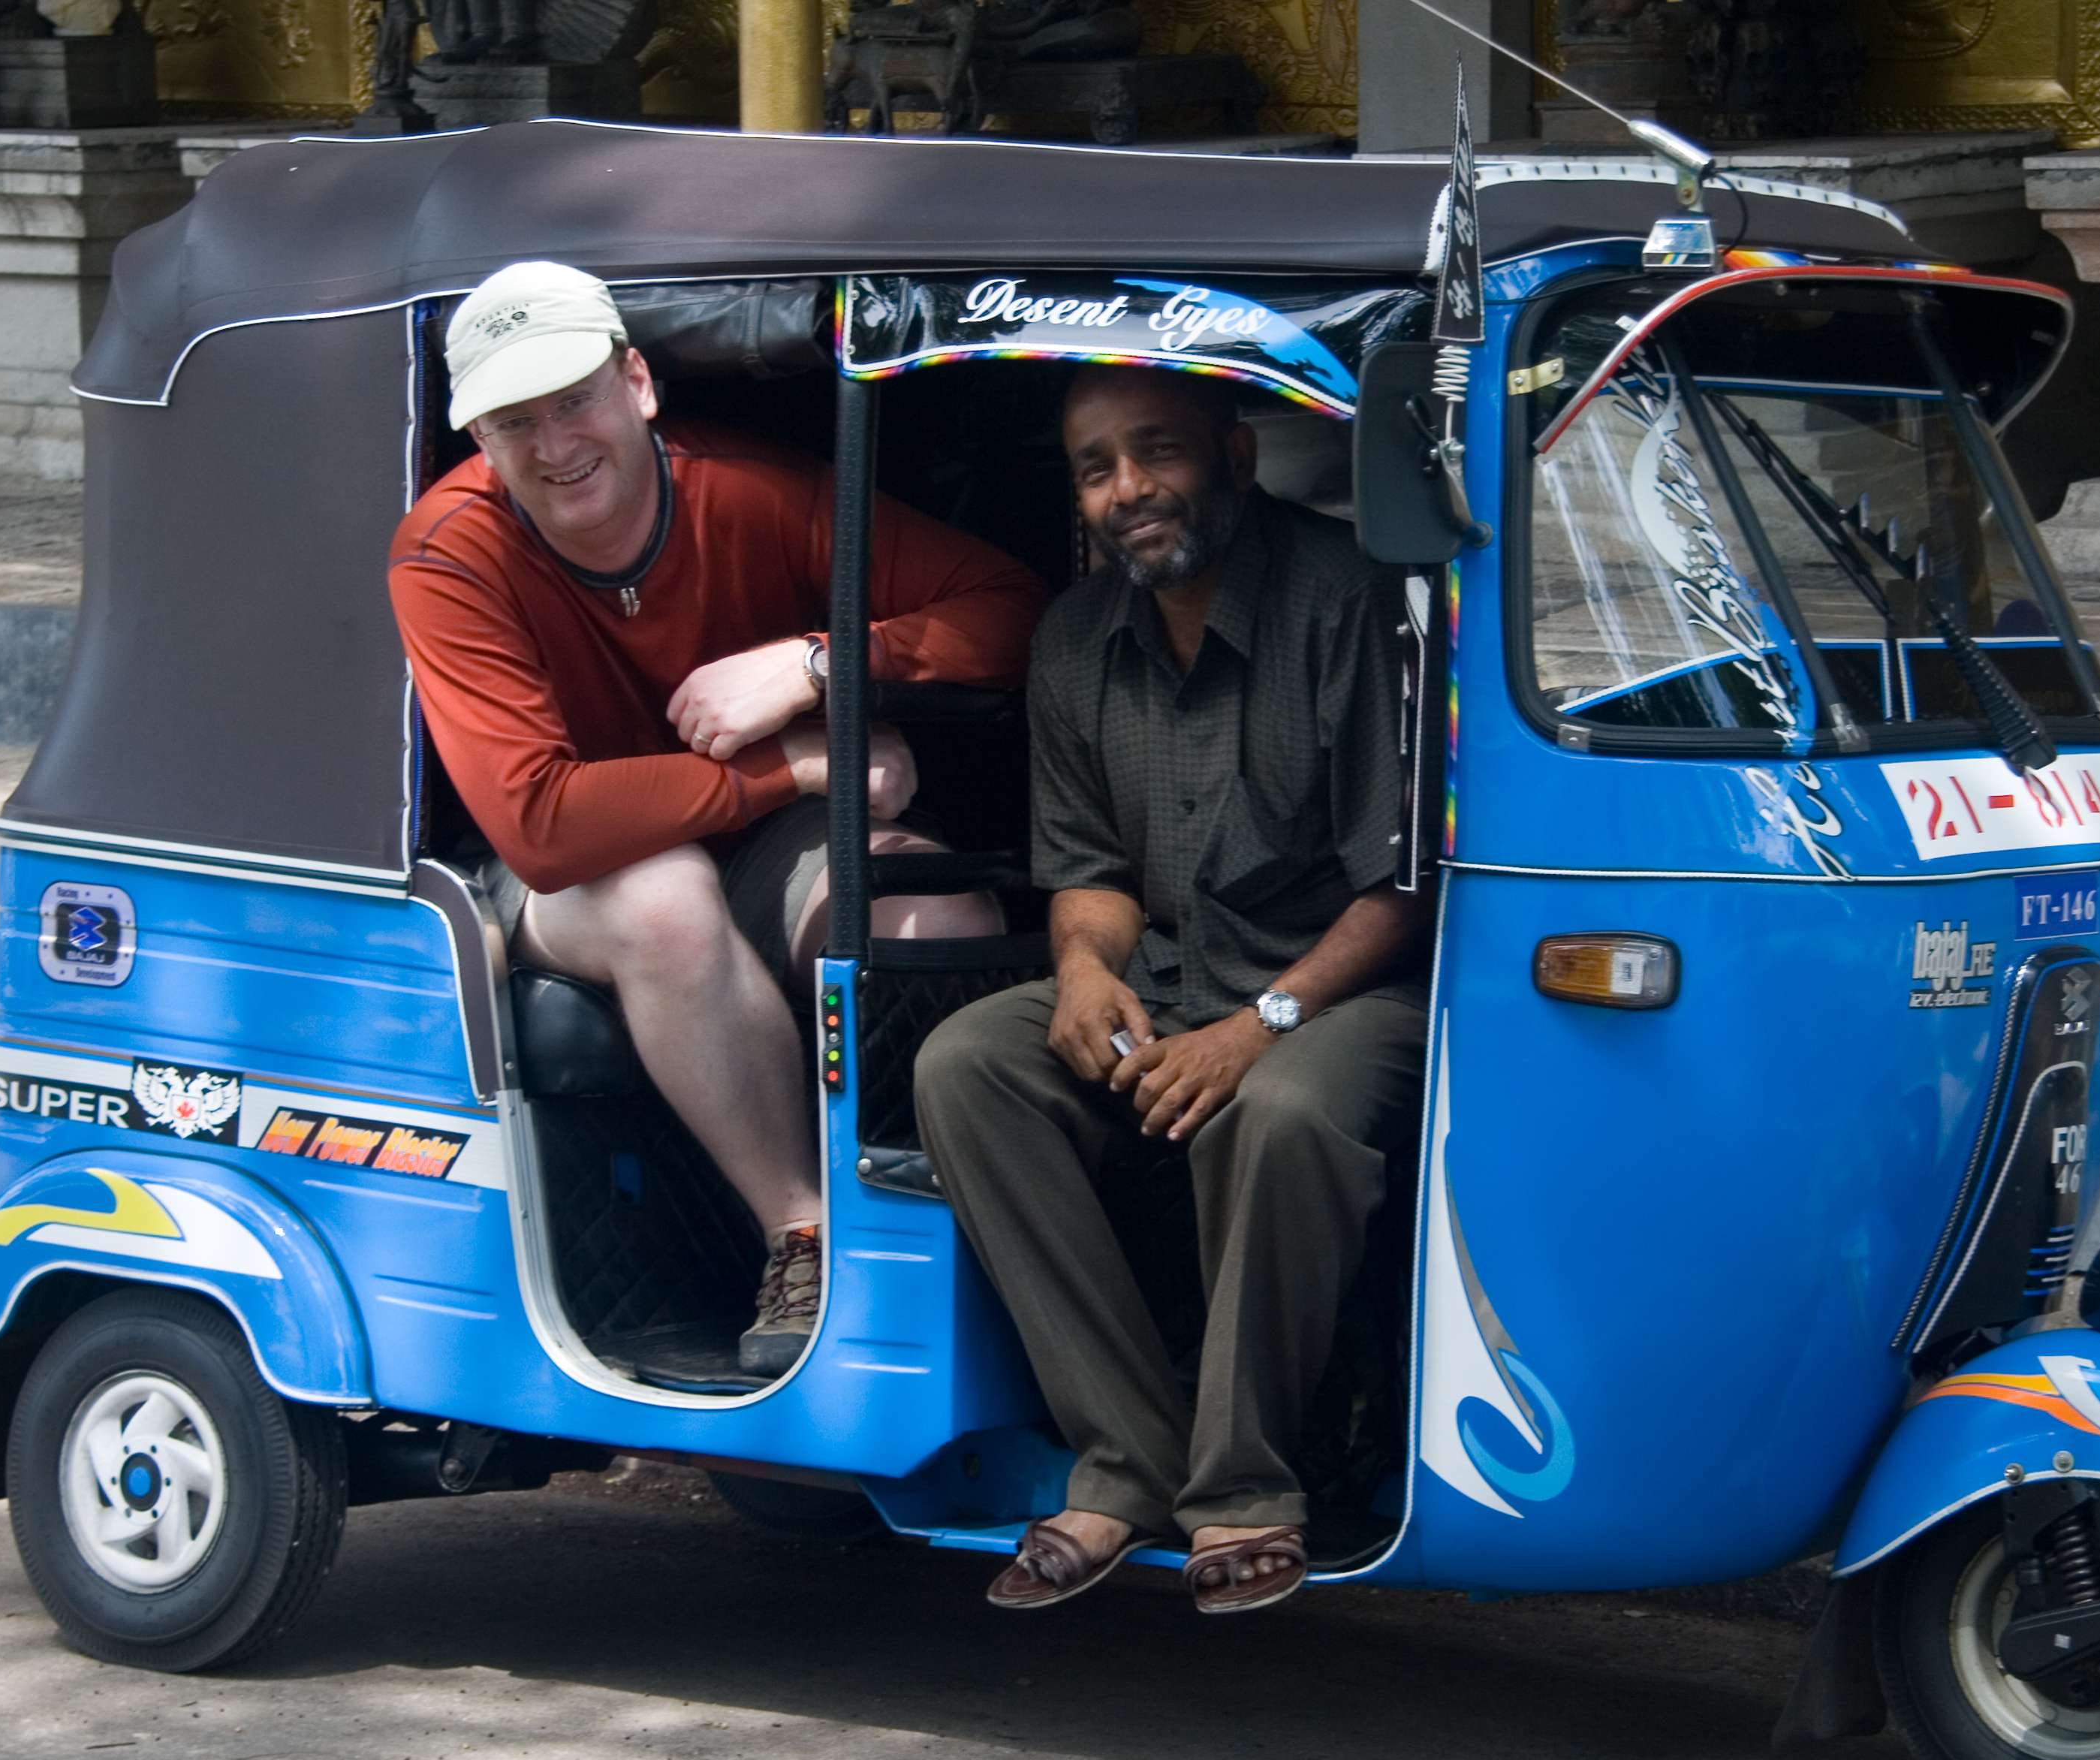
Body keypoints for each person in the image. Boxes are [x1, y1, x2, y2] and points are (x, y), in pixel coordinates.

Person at [391, 261, 1046, 1378]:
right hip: (578, 871)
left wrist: (818, 663)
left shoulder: (753, 491)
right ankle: (803, 1234)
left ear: (638, 383)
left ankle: (970, 1238)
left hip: (763, 841)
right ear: (479, 442)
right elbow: (543, 822)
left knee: (931, 904)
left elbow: (1014, 609)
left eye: (574, 401)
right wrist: (794, 769)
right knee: (664, 898)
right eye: (514, 423)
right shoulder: (447, 551)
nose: (554, 446)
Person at [914, 367, 1430, 1617]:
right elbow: (1088, 872)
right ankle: (1126, 1456)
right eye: (1098, 469)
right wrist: (1084, 970)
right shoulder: (1077, 637)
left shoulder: (1345, 603)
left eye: (1158, 454)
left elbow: (1398, 893)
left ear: (1236, 460)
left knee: (1282, 1111)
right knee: (969, 1066)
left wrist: (1260, 1028)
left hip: (1343, 994)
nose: (1130, 489)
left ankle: (1246, 1488)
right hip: (1171, 978)